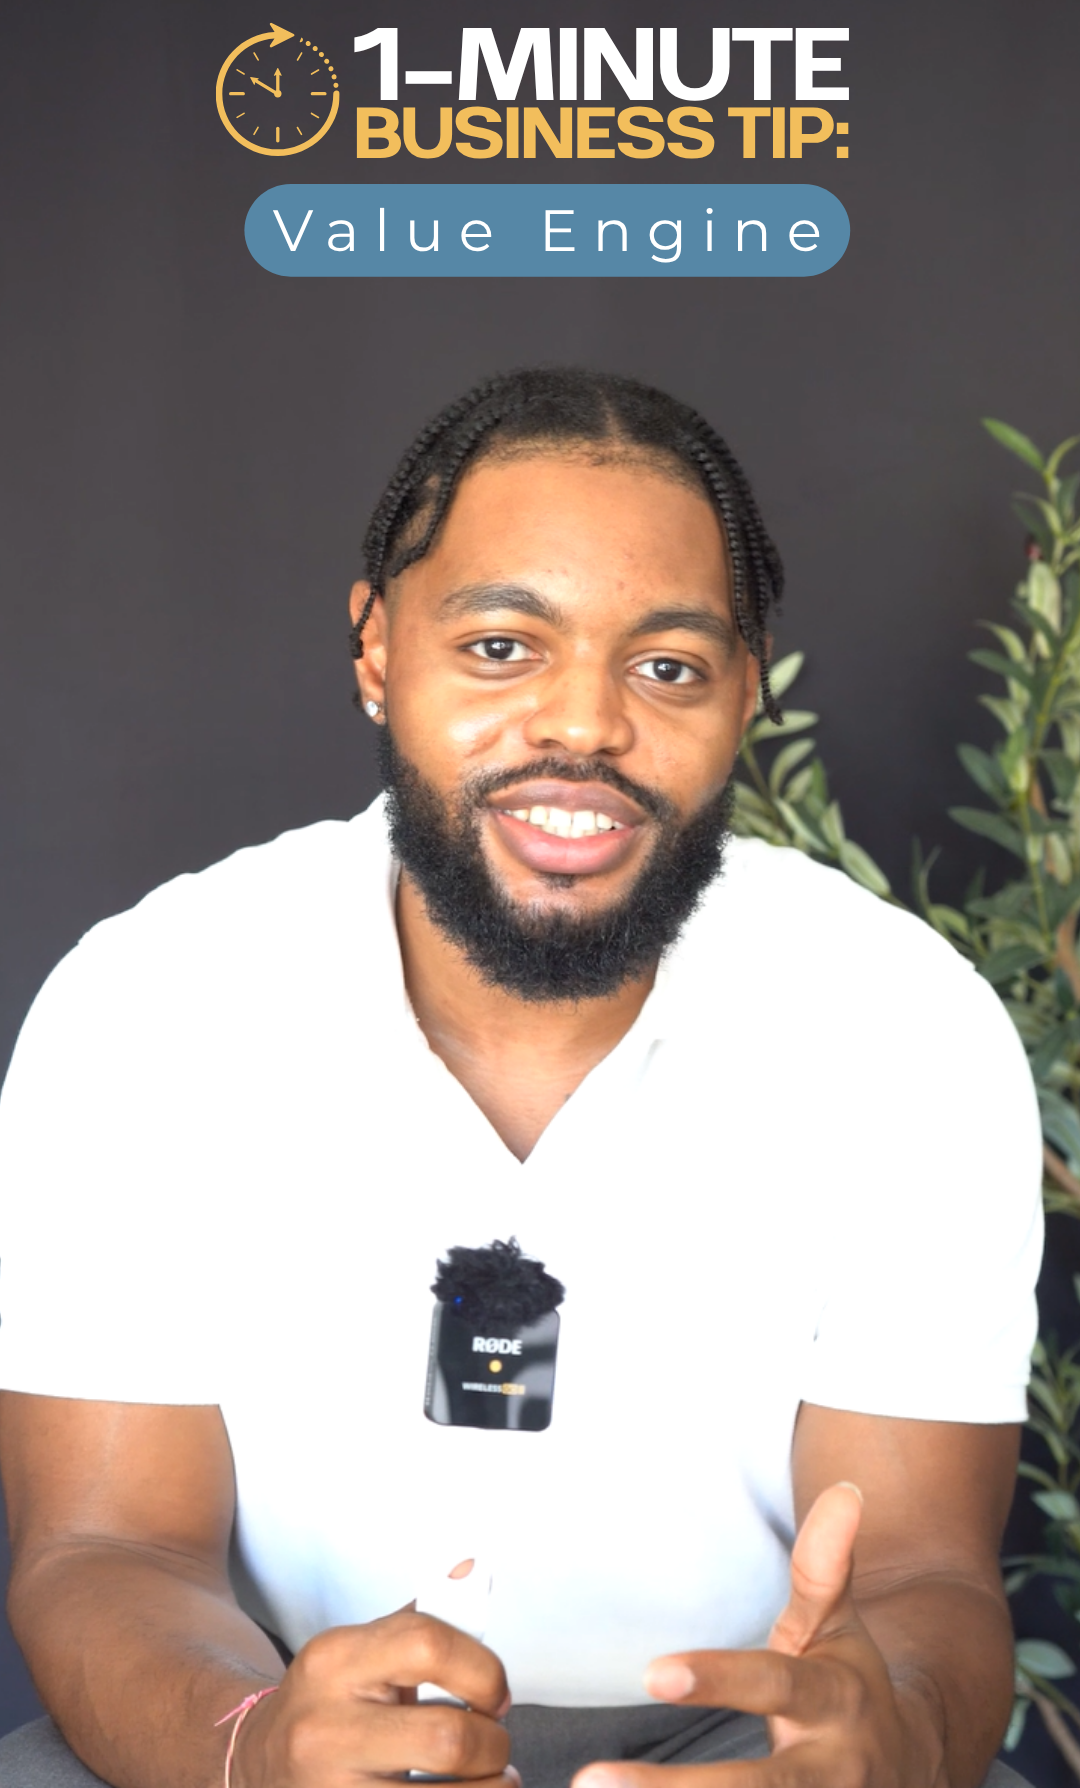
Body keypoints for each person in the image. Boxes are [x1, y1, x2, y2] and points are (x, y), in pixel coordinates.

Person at [0, 369, 1043, 1788]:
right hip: (259, 1717)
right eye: (501, 646)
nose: (583, 727)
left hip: (736, 1749)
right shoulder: (149, 1006)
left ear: (746, 691)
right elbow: (106, 1547)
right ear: (377, 649)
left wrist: (890, 1733)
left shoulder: (903, 1029)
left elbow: (927, 1575)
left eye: (667, 666)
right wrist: (249, 1749)